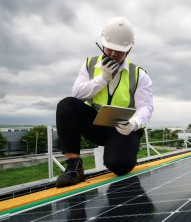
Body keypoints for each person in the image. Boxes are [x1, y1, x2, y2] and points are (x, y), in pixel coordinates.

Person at [55, 17, 153, 188]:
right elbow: (77, 94)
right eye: (110, 49)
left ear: (129, 49)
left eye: (119, 51)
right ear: (102, 44)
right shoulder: (90, 65)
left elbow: (146, 106)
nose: (114, 54)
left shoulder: (138, 74)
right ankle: (74, 167)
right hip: (96, 124)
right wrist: (103, 78)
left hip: (123, 129)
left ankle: (122, 151)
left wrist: (134, 123)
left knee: (120, 165)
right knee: (66, 105)